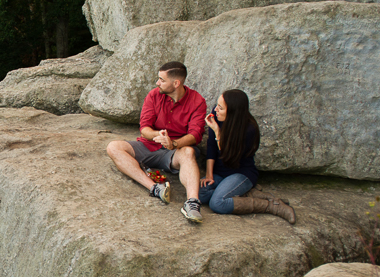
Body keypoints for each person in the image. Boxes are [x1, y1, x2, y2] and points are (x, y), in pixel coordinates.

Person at [106, 61, 207, 223]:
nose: (157, 83)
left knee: (189, 151)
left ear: (176, 83)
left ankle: (192, 203)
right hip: (149, 146)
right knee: (114, 147)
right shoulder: (153, 95)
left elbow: (195, 135)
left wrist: (173, 144)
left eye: (162, 80)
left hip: (175, 152)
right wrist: (157, 135)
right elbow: (144, 128)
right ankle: (154, 188)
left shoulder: (197, 101)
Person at [199, 89, 295, 223]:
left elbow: (228, 156)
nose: (215, 110)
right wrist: (209, 174)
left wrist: (217, 133)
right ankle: (248, 194)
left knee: (217, 203)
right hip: (220, 174)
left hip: (240, 174)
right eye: (217, 105)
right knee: (198, 194)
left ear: (232, 111)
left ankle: (270, 206)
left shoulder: (249, 130)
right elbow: (211, 148)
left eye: (220, 108)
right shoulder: (217, 116)